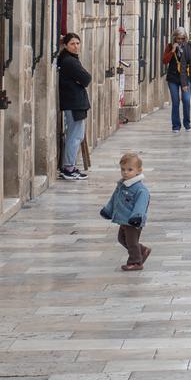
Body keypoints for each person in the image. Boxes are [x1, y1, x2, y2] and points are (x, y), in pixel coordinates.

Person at [99, 152, 151, 271]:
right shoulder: (122, 185)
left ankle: (136, 262)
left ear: (139, 170)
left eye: (130, 169)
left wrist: (136, 217)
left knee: (132, 242)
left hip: (133, 221)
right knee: (122, 239)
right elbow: (114, 198)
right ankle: (143, 250)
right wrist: (108, 210)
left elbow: (141, 205)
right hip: (123, 219)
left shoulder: (140, 190)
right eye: (123, 169)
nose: (125, 172)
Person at [56, 33, 92, 180]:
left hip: (75, 102)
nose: (76, 46)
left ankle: (69, 166)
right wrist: (80, 81)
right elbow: (86, 78)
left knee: (75, 134)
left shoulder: (69, 59)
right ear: (65, 45)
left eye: (78, 43)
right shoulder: (70, 61)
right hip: (74, 102)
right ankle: (69, 168)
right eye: (72, 43)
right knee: (75, 136)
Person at [162, 30, 190, 133]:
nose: (180, 41)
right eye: (178, 38)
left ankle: (187, 123)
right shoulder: (170, 46)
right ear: (174, 38)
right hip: (173, 77)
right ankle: (176, 126)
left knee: (186, 100)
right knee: (175, 102)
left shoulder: (188, 47)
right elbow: (165, 61)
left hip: (185, 77)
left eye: (182, 39)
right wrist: (172, 50)